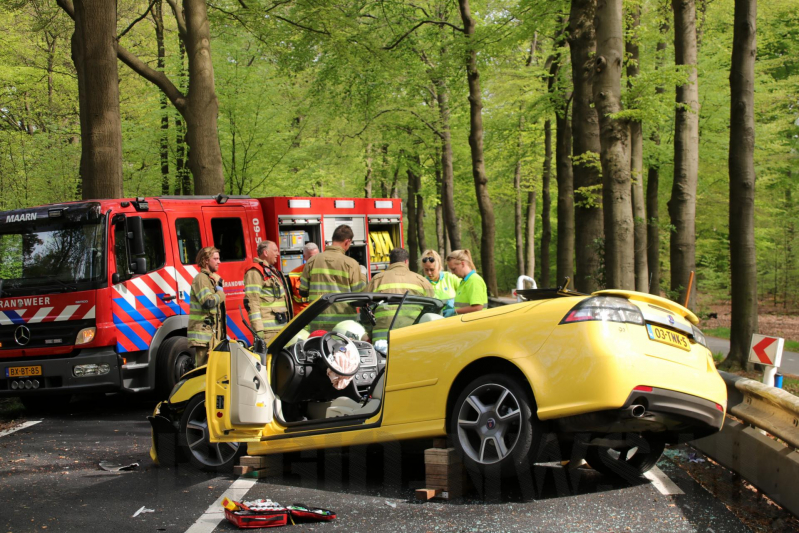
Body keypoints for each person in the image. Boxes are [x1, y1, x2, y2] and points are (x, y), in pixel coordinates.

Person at [299, 224, 366, 330]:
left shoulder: (312, 261)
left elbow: (303, 291)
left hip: (317, 322)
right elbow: (359, 295)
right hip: (343, 325)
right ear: (347, 242)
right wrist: (362, 276)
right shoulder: (351, 264)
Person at [367, 247, 434, 341]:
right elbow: (432, 309)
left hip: (382, 339)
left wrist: (368, 333)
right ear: (406, 262)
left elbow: (365, 308)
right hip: (413, 337)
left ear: (390, 263)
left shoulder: (377, 279)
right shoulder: (422, 281)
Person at [244, 240, 293, 346]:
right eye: (275, 250)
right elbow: (252, 302)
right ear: (265, 253)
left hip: (279, 328)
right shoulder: (255, 272)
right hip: (268, 333)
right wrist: (258, 329)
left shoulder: (271, 271)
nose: (278, 254)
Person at [188, 247, 226, 366]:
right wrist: (220, 293)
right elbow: (207, 302)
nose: (219, 262)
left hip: (211, 337)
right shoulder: (201, 279)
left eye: (218, 259)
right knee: (203, 373)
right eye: (215, 259)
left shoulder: (210, 279)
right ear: (205, 261)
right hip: (204, 338)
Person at [446, 249, 488, 315]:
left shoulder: (474, 280)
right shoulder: (464, 282)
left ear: (462, 264)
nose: (452, 273)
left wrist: (455, 311)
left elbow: (477, 308)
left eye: (454, 269)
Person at [288, 242, 319, 316]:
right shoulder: (293, 275)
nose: (314, 261)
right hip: (301, 318)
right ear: (304, 257)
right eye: (311, 257)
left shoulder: (325, 272)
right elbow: (288, 300)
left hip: (319, 316)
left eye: (317, 257)